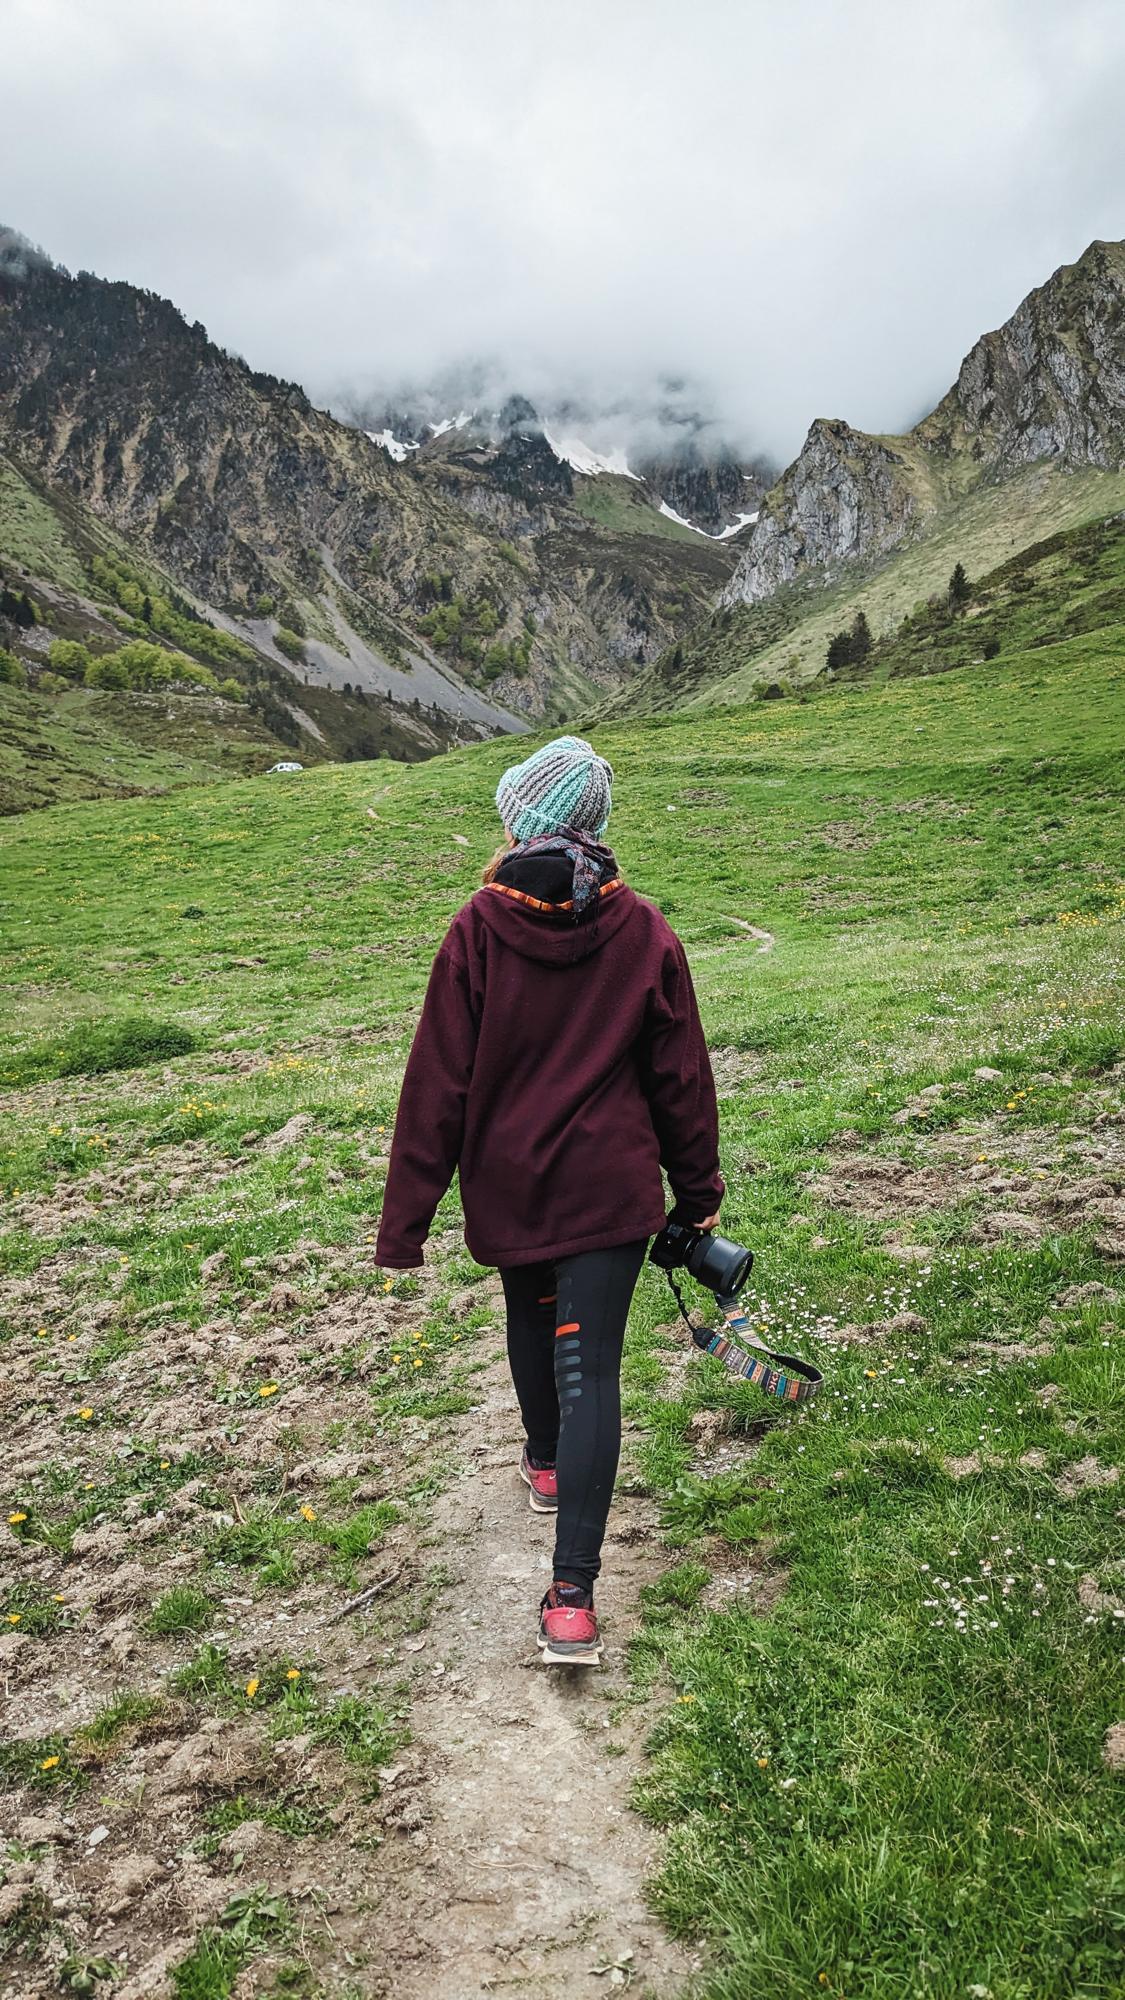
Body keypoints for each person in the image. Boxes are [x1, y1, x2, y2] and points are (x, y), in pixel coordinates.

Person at [376, 734, 723, 1664]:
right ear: (595, 829)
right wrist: (698, 1198)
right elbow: (681, 1079)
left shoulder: (477, 929)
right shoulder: (643, 927)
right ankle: (571, 1598)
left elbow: (435, 1085)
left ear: (519, 820)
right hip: (611, 1189)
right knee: (594, 1375)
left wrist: (404, 1224)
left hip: (512, 1185)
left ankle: (544, 1464)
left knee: (534, 1326)